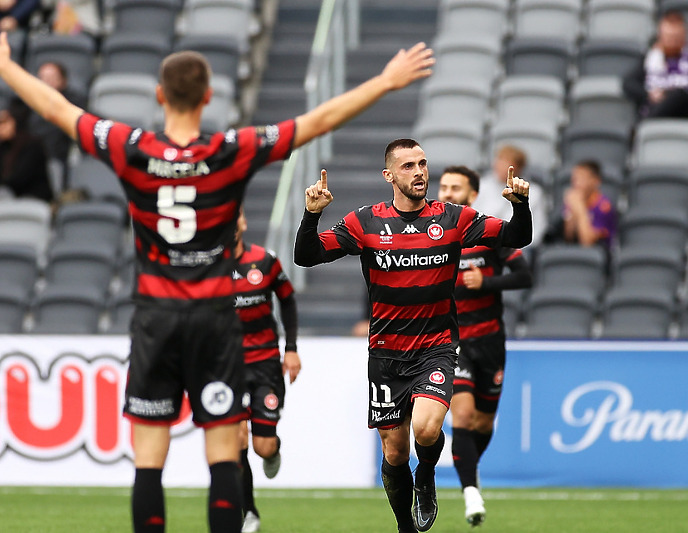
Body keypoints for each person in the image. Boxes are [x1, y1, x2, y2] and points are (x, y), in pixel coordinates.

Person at [0, 29, 434, 533]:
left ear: (160, 96)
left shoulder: (131, 146)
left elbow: (57, 110)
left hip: (156, 318)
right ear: (208, 97)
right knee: (223, 456)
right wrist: (384, 81)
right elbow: (315, 122)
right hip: (214, 321)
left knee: (149, 461)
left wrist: (7, 67)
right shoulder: (230, 148)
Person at [294, 139, 532, 533]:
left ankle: (427, 476)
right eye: (408, 166)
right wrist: (310, 215)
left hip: (436, 347)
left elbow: (515, 237)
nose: (420, 172)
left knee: (426, 428)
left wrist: (520, 205)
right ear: (389, 175)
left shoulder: (454, 218)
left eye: (423, 164)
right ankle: (406, 526)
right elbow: (308, 255)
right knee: (393, 451)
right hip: (386, 354)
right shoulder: (364, 222)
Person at [437, 165, 532, 526]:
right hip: (451, 341)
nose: (446, 193)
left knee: (483, 422)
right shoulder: (430, 236)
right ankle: (470, 492)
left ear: (472, 195)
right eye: (443, 186)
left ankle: (469, 471)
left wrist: (487, 281)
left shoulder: (487, 232)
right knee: (461, 416)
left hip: (491, 340)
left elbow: (525, 275)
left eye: (455, 187)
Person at [231, 209, 300, 533]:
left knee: (262, 446)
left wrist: (291, 350)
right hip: (225, 366)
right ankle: (249, 512)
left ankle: (274, 449)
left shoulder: (265, 261)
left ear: (243, 222)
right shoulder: (206, 267)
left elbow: (287, 300)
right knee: (235, 440)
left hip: (264, 364)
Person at [623, 10, 688, 124]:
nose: (672, 42)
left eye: (676, 38)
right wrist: (650, 94)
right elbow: (628, 83)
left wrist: (682, 94)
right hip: (656, 106)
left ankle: (646, 124)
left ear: (684, 36)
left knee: (678, 94)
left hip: (687, 112)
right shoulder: (648, 59)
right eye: (669, 38)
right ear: (660, 36)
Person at [472, 144, 547, 247]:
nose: (499, 165)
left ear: (518, 167)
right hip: (484, 244)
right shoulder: (481, 186)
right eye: (499, 160)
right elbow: (473, 220)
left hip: (518, 248)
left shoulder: (534, 192)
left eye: (505, 162)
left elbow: (538, 230)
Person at [548, 160, 616, 250]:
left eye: (582, 178)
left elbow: (588, 242)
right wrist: (572, 211)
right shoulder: (574, 201)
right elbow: (568, 237)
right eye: (574, 179)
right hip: (574, 251)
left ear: (596, 181)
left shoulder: (603, 206)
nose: (576, 183)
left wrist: (580, 211)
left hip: (599, 253)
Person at [29, 61, 85, 167]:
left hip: (58, 158)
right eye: (43, 77)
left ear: (63, 80)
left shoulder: (73, 102)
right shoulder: (29, 101)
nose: (47, 81)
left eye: (52, 78)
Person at [0, 97, 51, 201]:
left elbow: (18, 179)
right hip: (9, 198)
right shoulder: (4, 146)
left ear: (17, 122)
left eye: (4, 123)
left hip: (34, 199)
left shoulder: (33, 146)